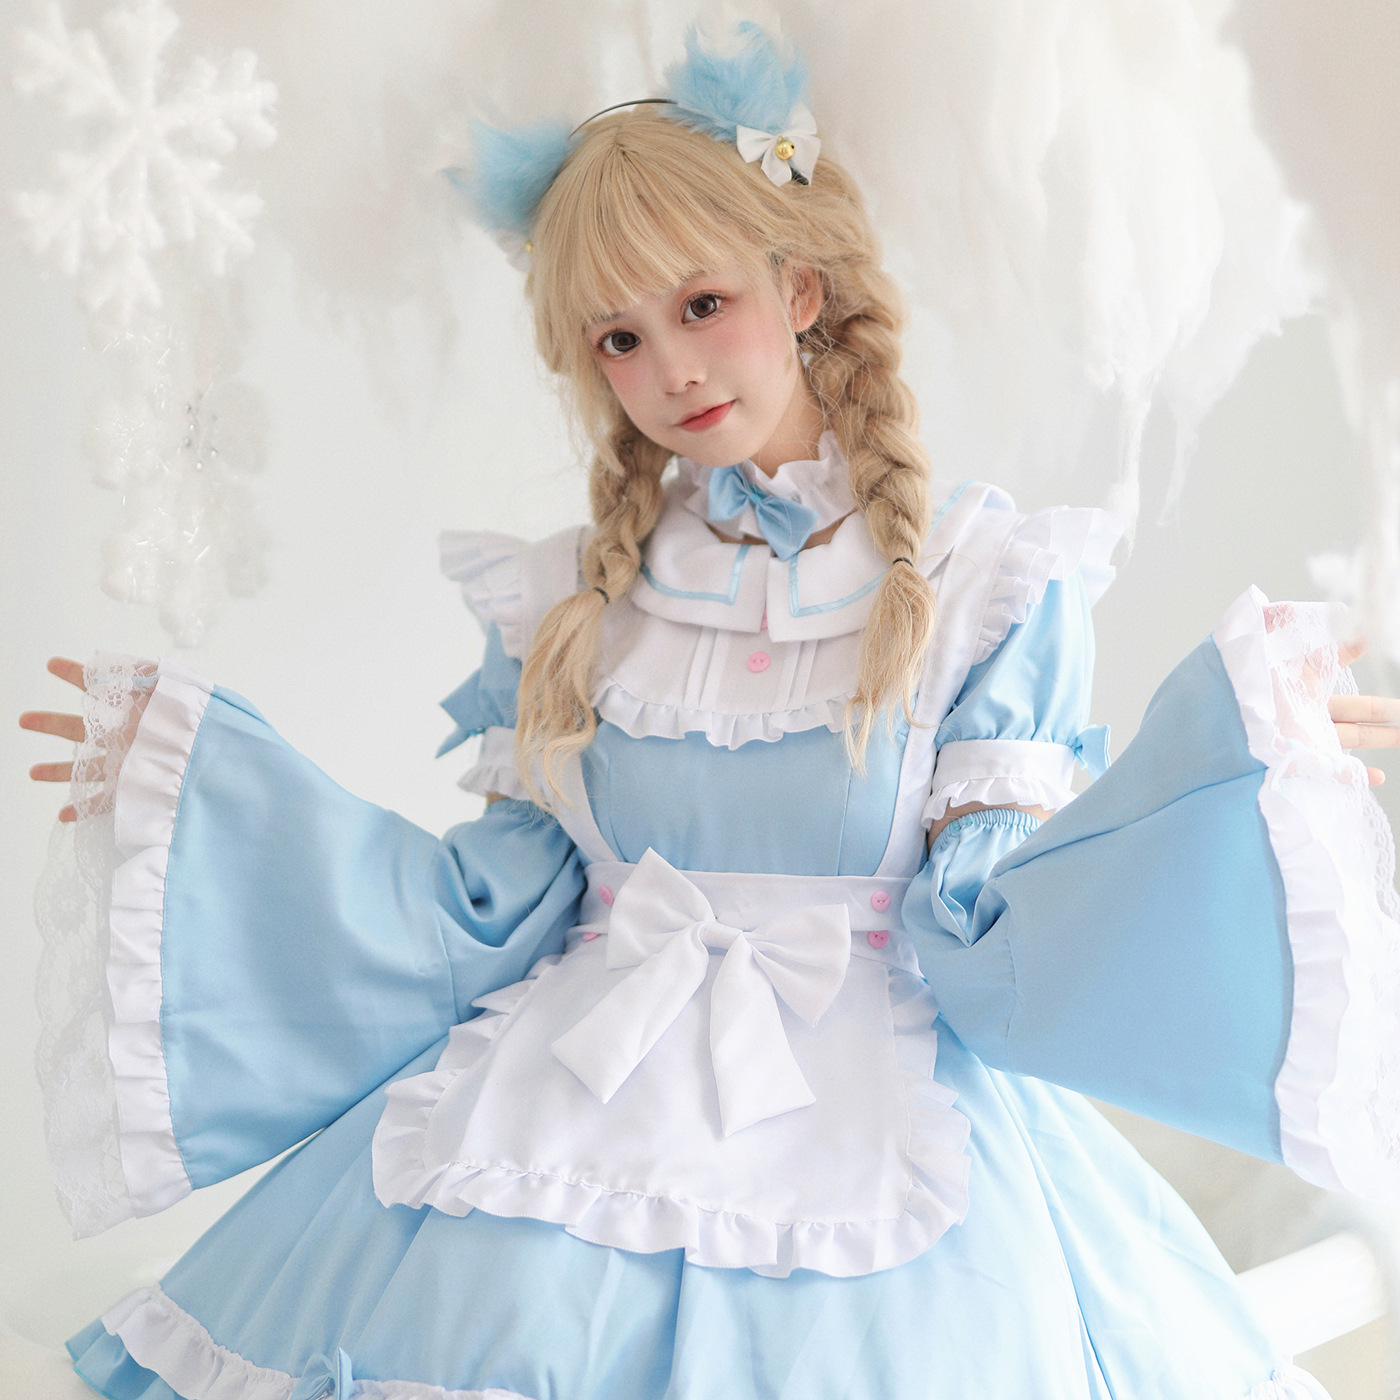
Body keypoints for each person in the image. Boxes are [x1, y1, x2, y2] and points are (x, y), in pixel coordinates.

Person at [20, 21, 1400, 1400]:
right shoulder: (569, 600)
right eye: (619, 336)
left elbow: (1003, 932)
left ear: (800, 288)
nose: (671, 369)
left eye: (701, 305)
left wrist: (1245, 755)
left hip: (890, 1147)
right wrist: (202, 790)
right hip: (563, 1116)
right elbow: (476, 913)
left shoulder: (984, 584)